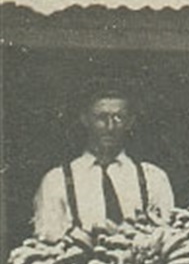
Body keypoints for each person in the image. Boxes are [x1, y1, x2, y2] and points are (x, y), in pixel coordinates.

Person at [31, 84, 177, 240]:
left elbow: (167, 237)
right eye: (101, 117)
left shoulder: (153, 178)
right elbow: (46, 242)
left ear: (130, 122)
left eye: (119, 117)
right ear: (85, 119)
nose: (110, 126)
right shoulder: (56, 181)